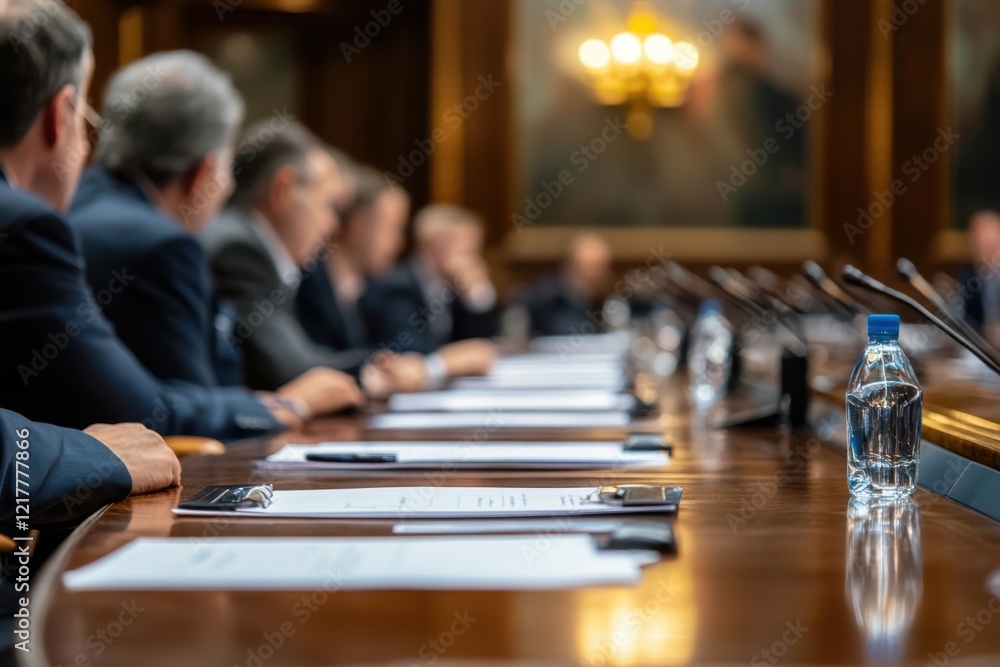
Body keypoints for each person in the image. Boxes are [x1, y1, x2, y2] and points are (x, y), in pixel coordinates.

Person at [0, 3, 332, 438]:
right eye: (84, 115)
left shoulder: (71, 212)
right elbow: (147, 416)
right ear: (59, 115)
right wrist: (290, 404)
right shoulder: (40, 227)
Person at [67, 52, 362, 421]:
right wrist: (287, 405)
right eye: (226, 168)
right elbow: (190, 420)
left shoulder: (73, 203)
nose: (228, 187)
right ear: (203, 173)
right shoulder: (164, 246)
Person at [203, 121, 424, 392]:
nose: (332, 226)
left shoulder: (247, 244)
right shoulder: (239, 250)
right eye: (328, 205)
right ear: (283, 190)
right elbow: (287, 369)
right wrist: (374, 370)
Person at [297, 165, 493, 387]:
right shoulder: (309, 280)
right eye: (393, 228)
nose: (400, 244)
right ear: (360, 227)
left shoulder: (360, 283)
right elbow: (306, 364)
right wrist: (438, 364)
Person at [363, 204, 500, 356]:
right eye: (467, 252)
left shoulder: (454, 286)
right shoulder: (398, 286)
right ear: (432, 245)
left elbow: (480, 346)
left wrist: (477, 296)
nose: (474, 261)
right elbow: (408, 348)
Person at [522, 233, 612, 337]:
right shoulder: (546, 297)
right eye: (592, 267)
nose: (598, 274)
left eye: (602, 267)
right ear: (571, 265)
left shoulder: (602, 299)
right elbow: (565, 331)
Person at [959, 210, 1000, 345]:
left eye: (991, 246)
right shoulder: (968, 276)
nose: (985, 254)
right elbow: (964, 320)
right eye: (980, 246)